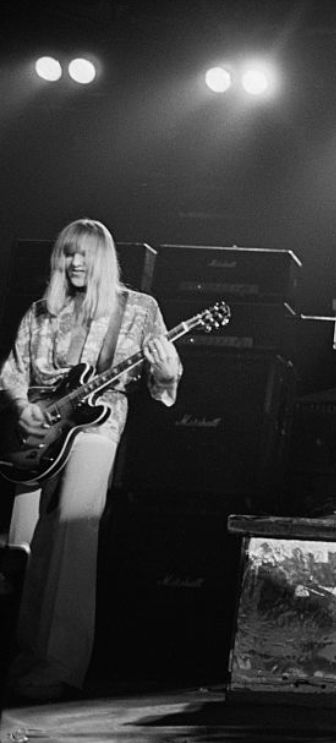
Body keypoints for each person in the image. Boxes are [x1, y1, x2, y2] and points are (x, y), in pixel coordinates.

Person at [1, 218, 182, 702]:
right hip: (35, 435)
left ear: (103, 259)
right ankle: (23, 657)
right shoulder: (41, 313)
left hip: (96, 429)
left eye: (84, 254)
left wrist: (166, 372)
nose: (75, 263)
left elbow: (159, 383)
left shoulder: (138, 309)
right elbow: (14, 374)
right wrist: (23, 409)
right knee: (23, 548)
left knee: (72, 538)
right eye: (67, 254)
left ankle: (57, 665)